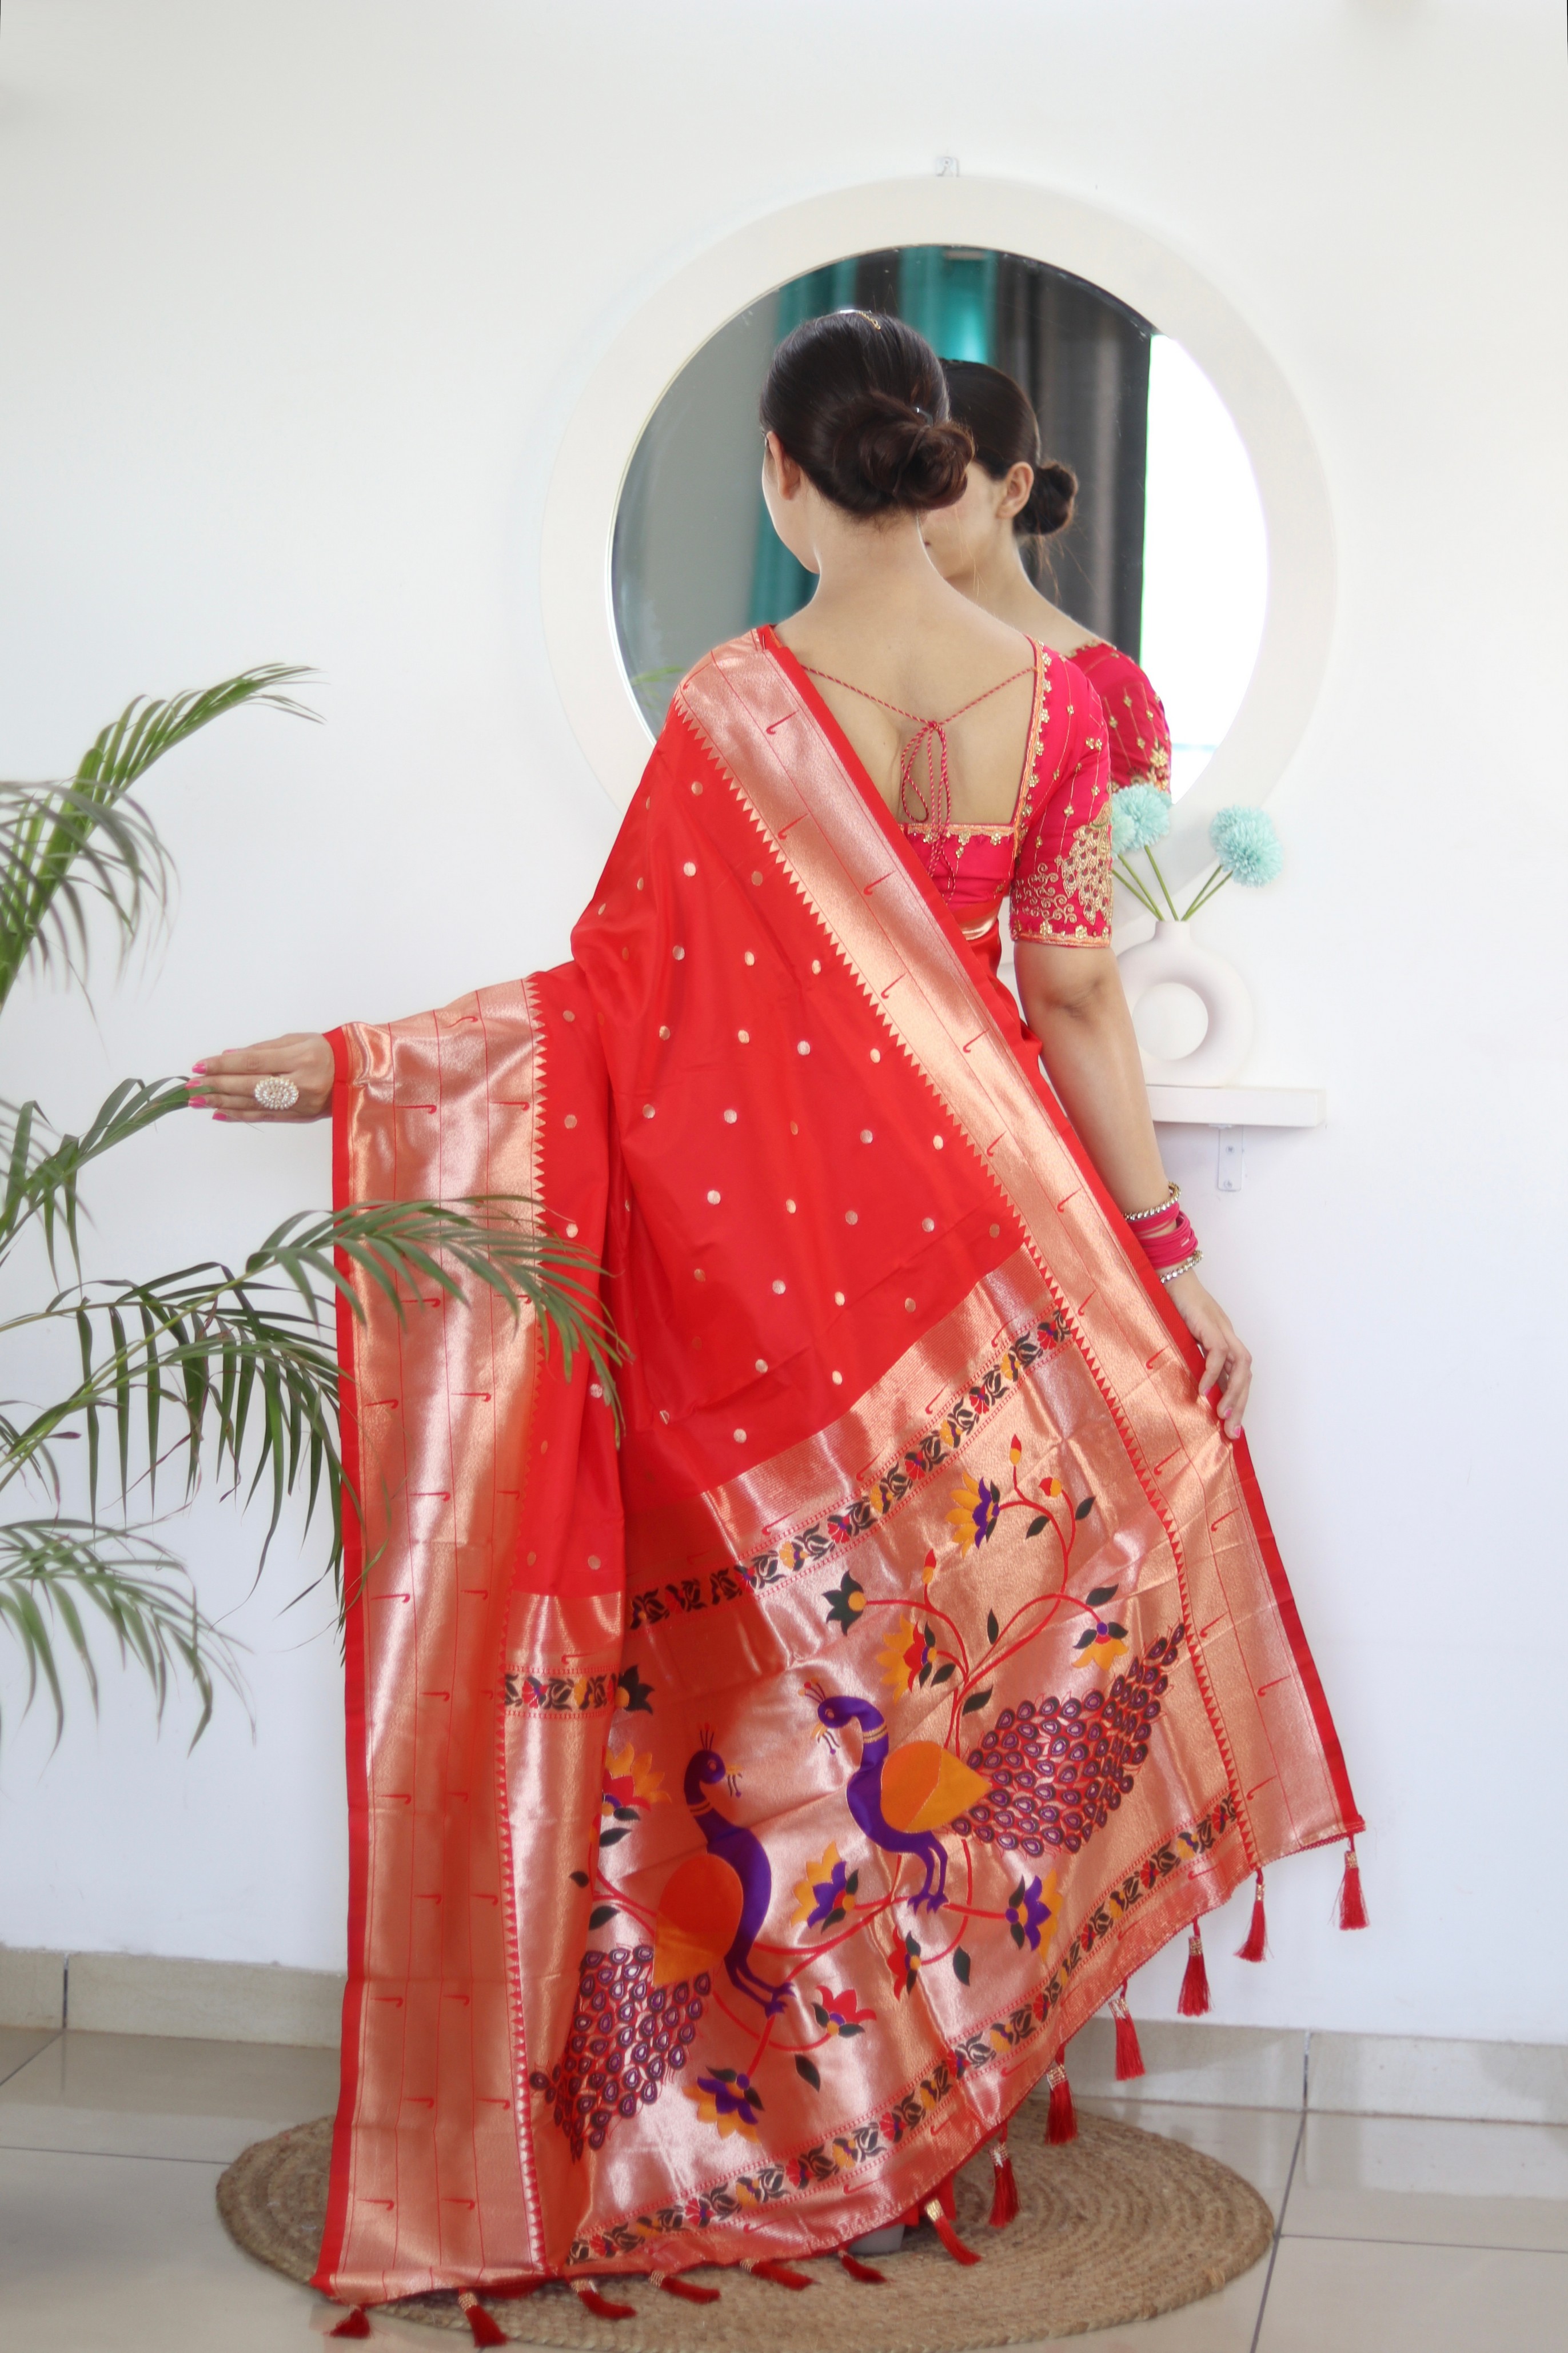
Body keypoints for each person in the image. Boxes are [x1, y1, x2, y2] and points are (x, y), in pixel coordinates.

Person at [189, 313, 1359, 2323]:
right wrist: (1163, 1258)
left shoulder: (735, 698)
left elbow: (613, 1007)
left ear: (781, 475)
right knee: (952, 1671)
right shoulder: (1060, 699)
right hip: (986, 1250)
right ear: (937, 466)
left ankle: (811, 2117)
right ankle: (922, 2122)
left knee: (779, 1691)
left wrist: (370, 1067)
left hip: (767, 1262)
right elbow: (1073, 994)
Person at [923, 358, 1172, 796]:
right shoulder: (868, 667)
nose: (906, 507)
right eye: (888, 482)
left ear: (1013, 490)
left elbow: (1137, 843)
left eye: (933, 478)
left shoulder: (1109, 691)